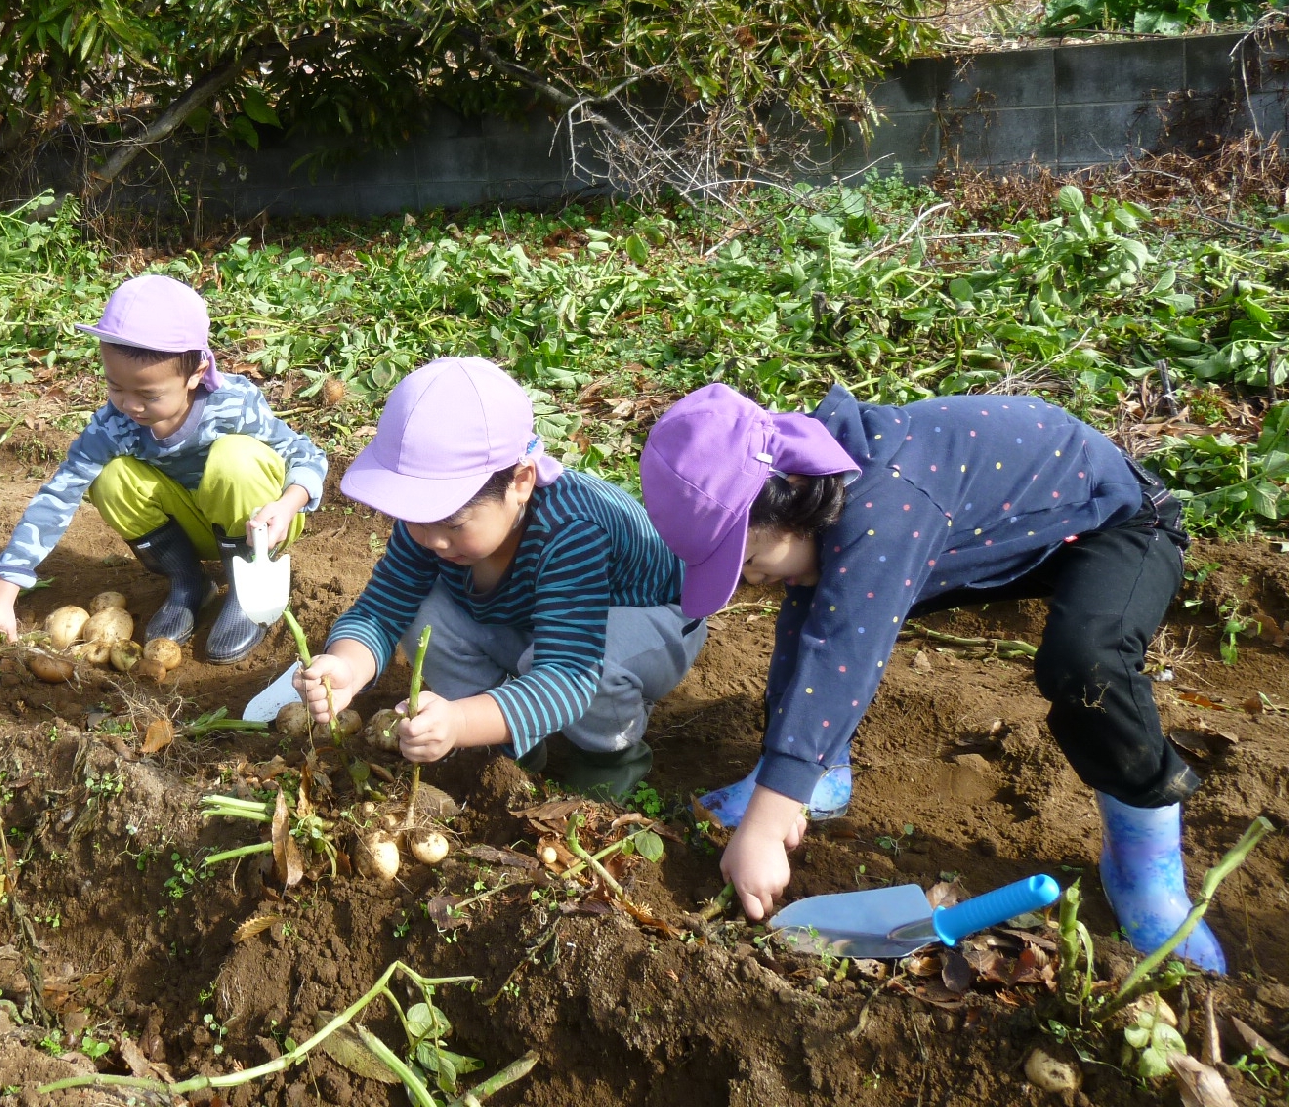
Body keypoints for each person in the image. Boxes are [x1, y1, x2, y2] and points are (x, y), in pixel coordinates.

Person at [638, 382, 1225, 971]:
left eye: (752, 565)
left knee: (1087, 665)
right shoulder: (814, 480)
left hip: (1113, 521)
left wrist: (764, 831)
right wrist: (783, 781)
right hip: (991, 527)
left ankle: (1144, 866)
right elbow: (815, 638)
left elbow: (844, 654)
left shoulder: (886, 503)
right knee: (817, 598)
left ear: (791, 496)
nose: (752, 584)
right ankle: (818, 774)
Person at [293, 357, 702, 801]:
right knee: (420, 614)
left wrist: (459, 722)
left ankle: (611, 757)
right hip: (534, 614)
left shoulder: (572, 531)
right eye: (415, 518)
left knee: (586, 669)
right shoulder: (430, 522)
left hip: (646, 623)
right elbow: (381, 608)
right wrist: (348, 667)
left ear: (521, 481)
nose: (431, 540)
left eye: (452, 524)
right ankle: (507, 742)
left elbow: (569, 672)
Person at [0, 274, 326, 664]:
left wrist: (289, 503)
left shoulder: (233, 403)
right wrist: (3, 590)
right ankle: (188, 581)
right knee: (108, 476)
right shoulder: (112, 426)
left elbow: (308, 455)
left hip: (259, 528)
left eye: (148, 395)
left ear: (196, 373)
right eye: (115, 387)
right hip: (188, 531)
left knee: (235, 457)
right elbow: (59, 495)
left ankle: (243, 589)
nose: (129, 406)